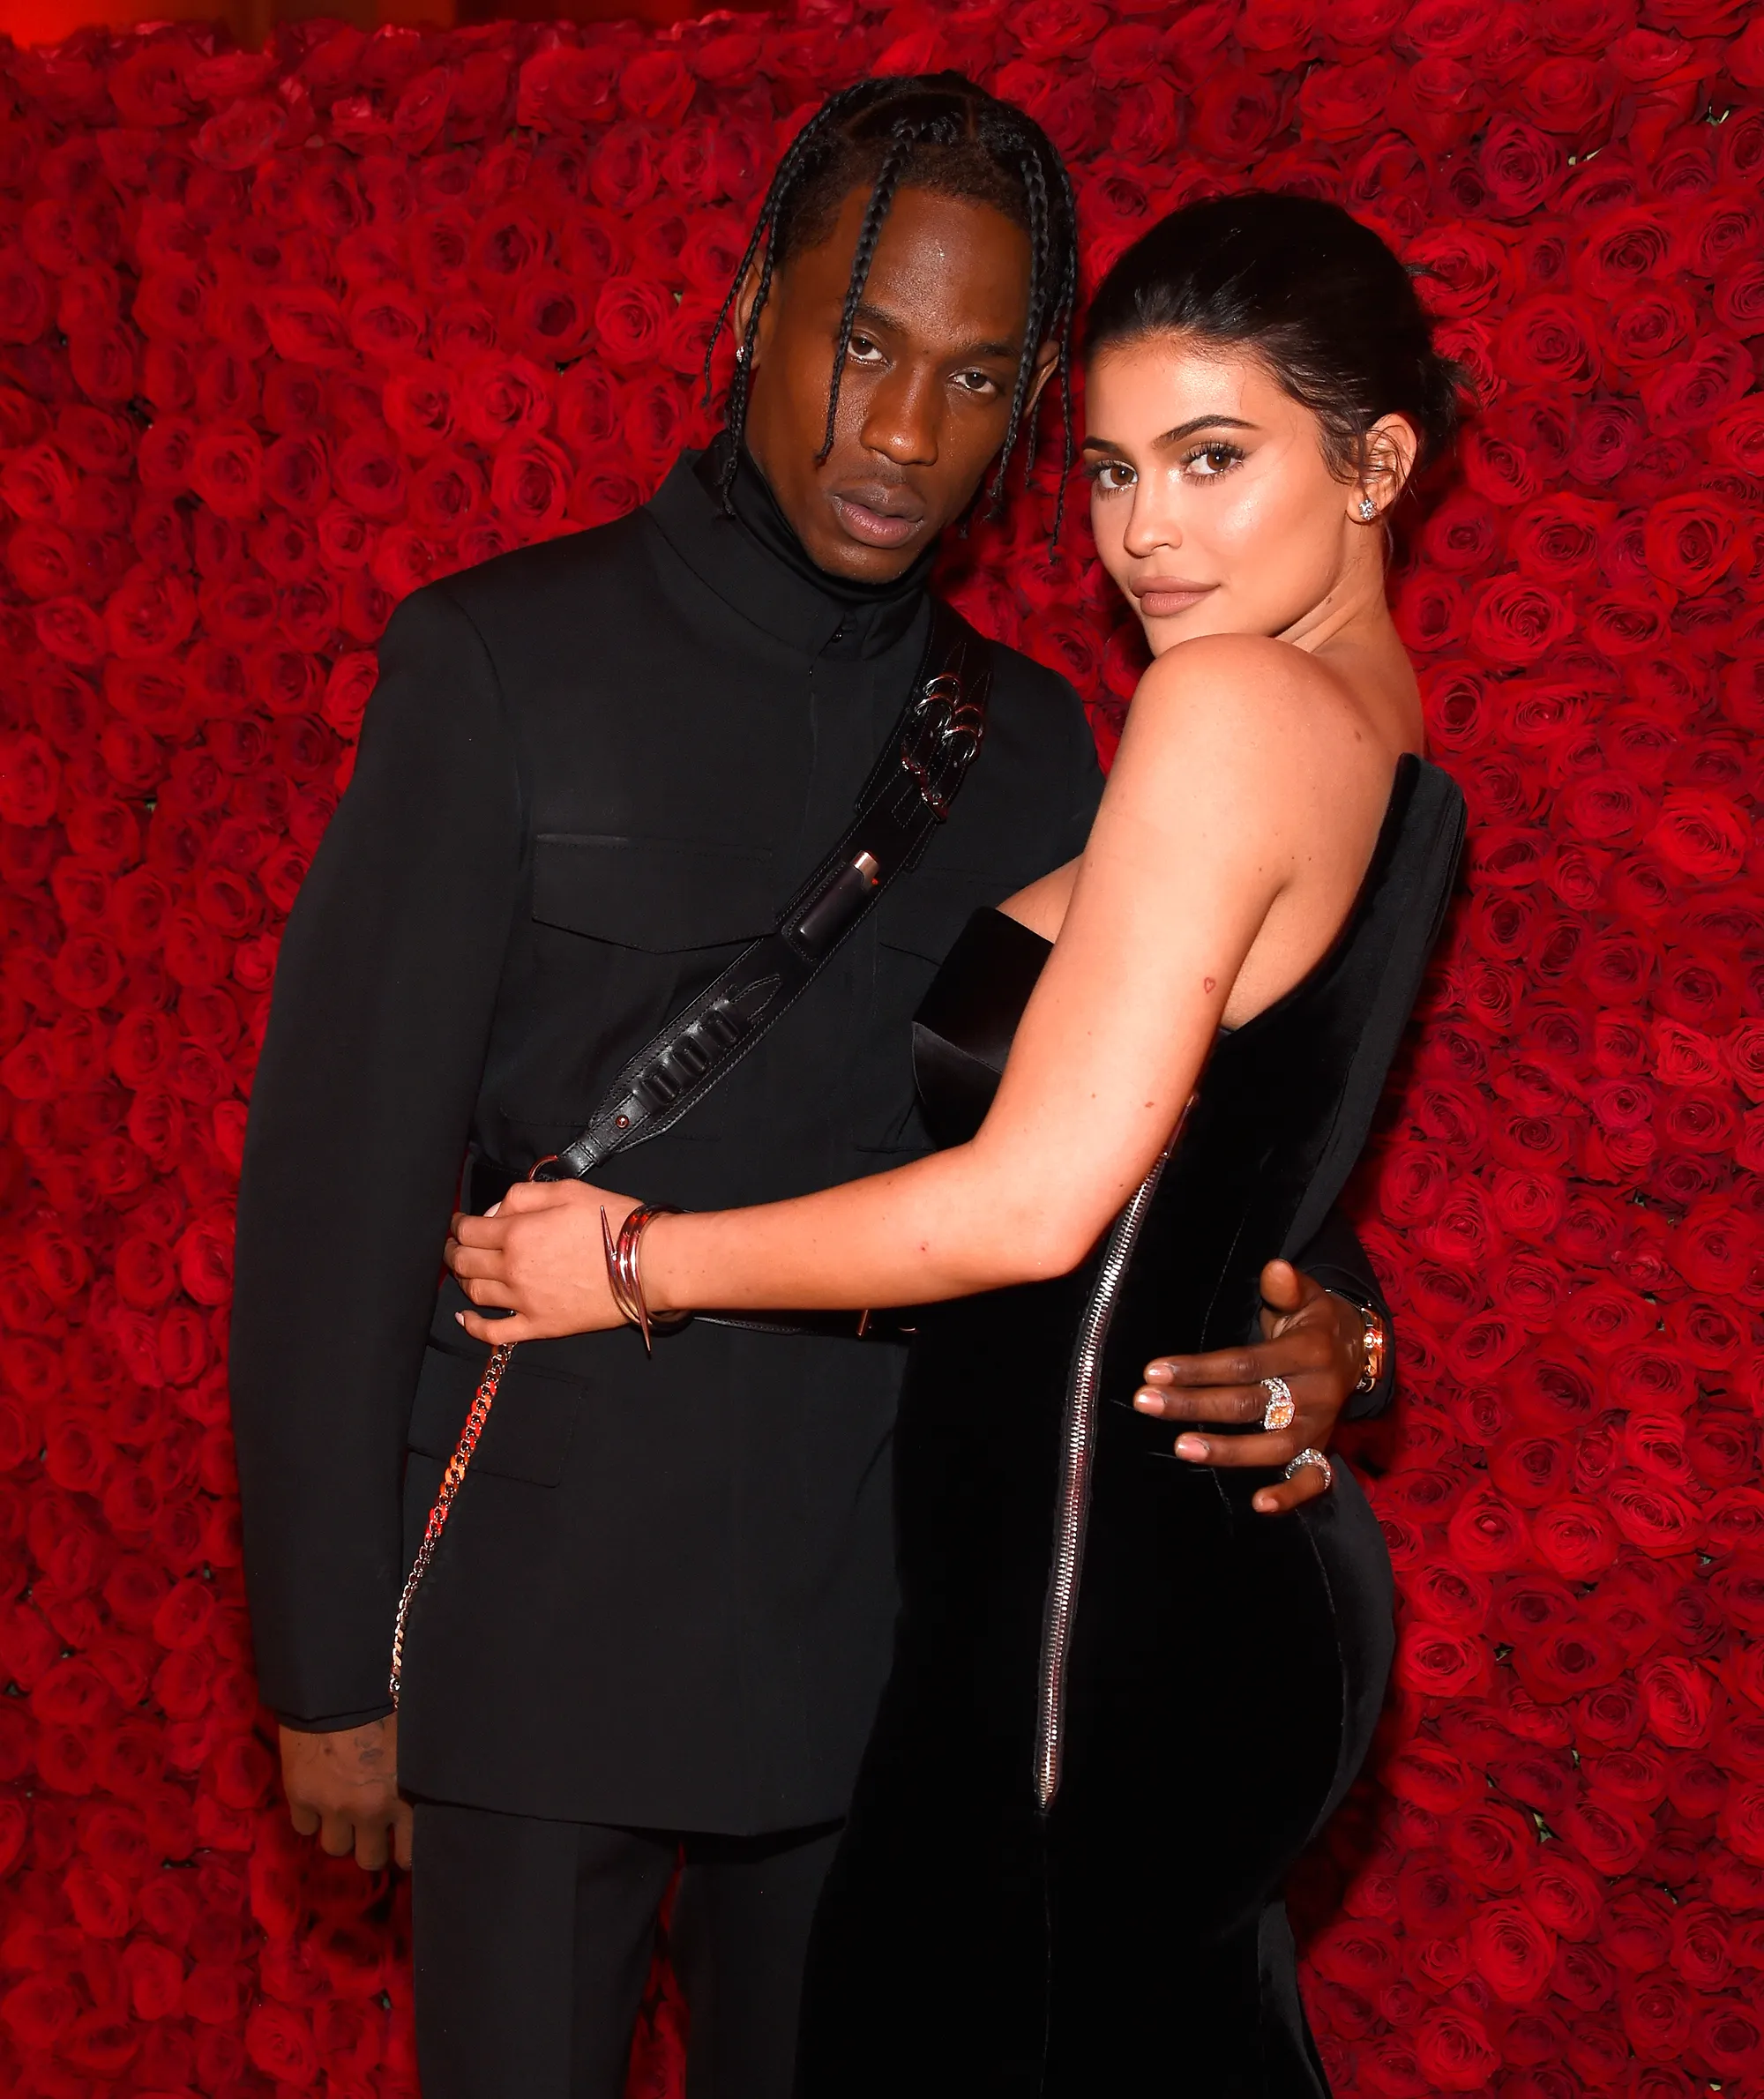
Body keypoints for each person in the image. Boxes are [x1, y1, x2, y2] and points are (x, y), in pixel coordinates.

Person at [231, 80, 1397, 2099]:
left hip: (883, 1633)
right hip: (536, 1620)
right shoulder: (498, 665)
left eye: (976, 379)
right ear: (755, 308)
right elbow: (334, 1200)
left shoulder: (1039, 741)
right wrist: (327, 1671)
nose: (904, 434)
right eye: (864, 344)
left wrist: (1335, 1328)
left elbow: (1162, 1115)